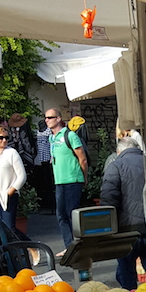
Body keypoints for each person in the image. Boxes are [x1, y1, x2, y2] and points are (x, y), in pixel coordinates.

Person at [100, 130, 146, 290]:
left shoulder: (115, 165)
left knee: (126, 273)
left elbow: (108, 198)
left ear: (119, 151)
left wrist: (107, 228)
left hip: (126, 231)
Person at [45, 108, 88, 252]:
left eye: (50, 117)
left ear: (58, 118)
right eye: (46, 118)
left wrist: (84, 177)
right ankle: (69, 246)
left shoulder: (70, 135)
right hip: (60, 181)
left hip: (72, 179)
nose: (47, 120)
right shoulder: (52, 138)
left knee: (72, 214)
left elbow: (82, 158)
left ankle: (78, 245)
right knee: (61, 215)